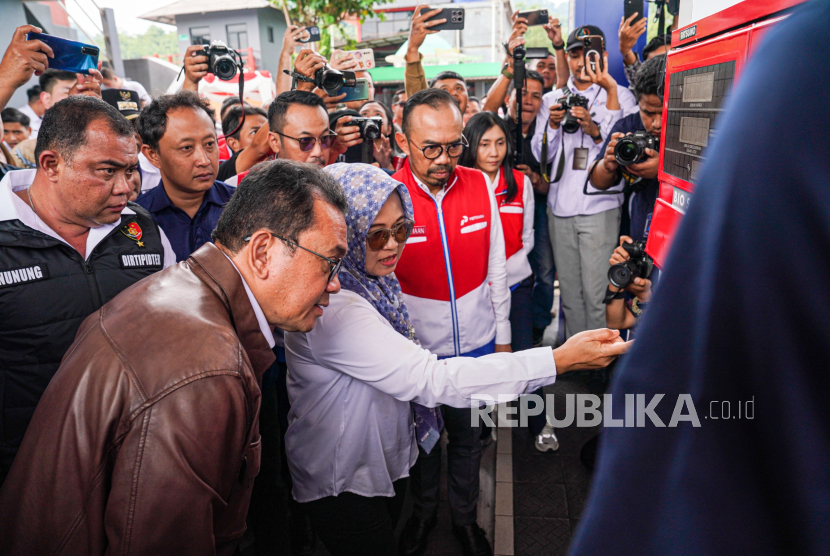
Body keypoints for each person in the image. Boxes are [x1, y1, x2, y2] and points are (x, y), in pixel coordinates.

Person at [571, 3, 830, 553]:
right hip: (637, 250)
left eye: (661, 114)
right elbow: (595, 180)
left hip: (671, 270)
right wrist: (621, 163)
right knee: (624, 343)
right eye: (643, 114)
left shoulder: (788, 74)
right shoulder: (804, 54)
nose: (652, 125)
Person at [0, 159, 348, 555]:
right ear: (264, 251)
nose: (335, 284)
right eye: (329, 262)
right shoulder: (208, 370)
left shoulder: (182, 287)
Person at [284, 163, 629, 556]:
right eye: (377, 234)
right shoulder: (337, 306)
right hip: (343, 481)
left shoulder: (374, 285)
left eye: (401, 229)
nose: (393, 245)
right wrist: (559, 361)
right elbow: (431, 380)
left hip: (379, 465)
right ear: (345, 233)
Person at [0, 95, 175, 488]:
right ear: (51, 164)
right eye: (106, 171)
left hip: (131, 459)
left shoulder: (144, 231)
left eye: (130, 171)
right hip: (24, 472)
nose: (125, 188)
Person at [392, 88, 509, 556]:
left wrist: (502, 341)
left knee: (467, 440)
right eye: (431, 148)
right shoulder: (388, 194)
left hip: (478, 347)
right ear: (404, 142)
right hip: (416, 354)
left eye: (455, 144)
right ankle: (423, 516)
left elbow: (497, 266)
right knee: (421, 446)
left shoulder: (479, 185)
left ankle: (465, 520)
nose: (445, 159)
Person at [531, 25, 637, 340]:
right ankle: (579, 361)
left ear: (602, 56)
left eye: (588, 54)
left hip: (600, 208)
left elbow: (625, 150)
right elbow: (541, 156)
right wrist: (551, 125)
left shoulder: (620, 95)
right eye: (574, 54)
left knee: (597, 292)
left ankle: (601, 363)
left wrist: (593, 129)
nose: (580, 63)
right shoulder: (553, 98)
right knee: (571, 297)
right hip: (559, 209)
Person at [135, 91, 234, 262]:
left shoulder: (244, 207)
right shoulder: (136, 221)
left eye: (209, 144)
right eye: (187, 148)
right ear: (152, 155)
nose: (204, 160)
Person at [589, 55, 664, 243]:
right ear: (638, 102)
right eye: (648, 113)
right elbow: (596, 181)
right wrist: (607, 165)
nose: (657, 123)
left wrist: (662, 170)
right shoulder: (627, 127)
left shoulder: (693, 129)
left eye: (664, 113)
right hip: (640, 229)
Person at [216, 105, 268, 182]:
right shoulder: (223, 172)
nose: (267, 137)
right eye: (255, 132)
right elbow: (258, 146)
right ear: (233, 143)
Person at [619, 12, 670, 85]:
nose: (662, 71)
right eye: (653, 64)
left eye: (667, 60)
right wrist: (625, 49)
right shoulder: (646, 86)